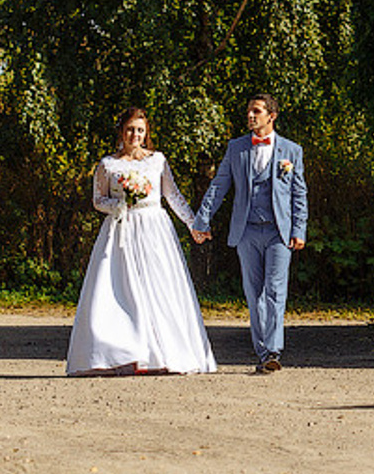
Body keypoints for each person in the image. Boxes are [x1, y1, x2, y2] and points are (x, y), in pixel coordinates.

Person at [65, 107, 217, 376]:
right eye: (130, 130)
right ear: (121, 132)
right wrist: (119, 204)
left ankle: (162, 354)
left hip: (154, 229)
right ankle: (126, 353)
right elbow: (98, 200)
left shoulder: (157, 160)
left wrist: (193, 224)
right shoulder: (108, 164)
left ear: (146, 133)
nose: (135, 135)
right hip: (121, 229)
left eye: (140, 130)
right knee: (121, 289)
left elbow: (172, 196)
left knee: (159, 288)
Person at [191, 93, 306, 373]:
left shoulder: (291, 150)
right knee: (254, 293)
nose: (251, 116)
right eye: (249, 111)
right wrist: (201, 220)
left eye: (257, 111)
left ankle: (273, 350)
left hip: (279, 232)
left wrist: (299, 228)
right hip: (246, 231)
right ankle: (263, 352)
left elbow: (299, 193)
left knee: (275, 290)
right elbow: (219, 185)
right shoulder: (237, 148)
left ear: (271, 116)